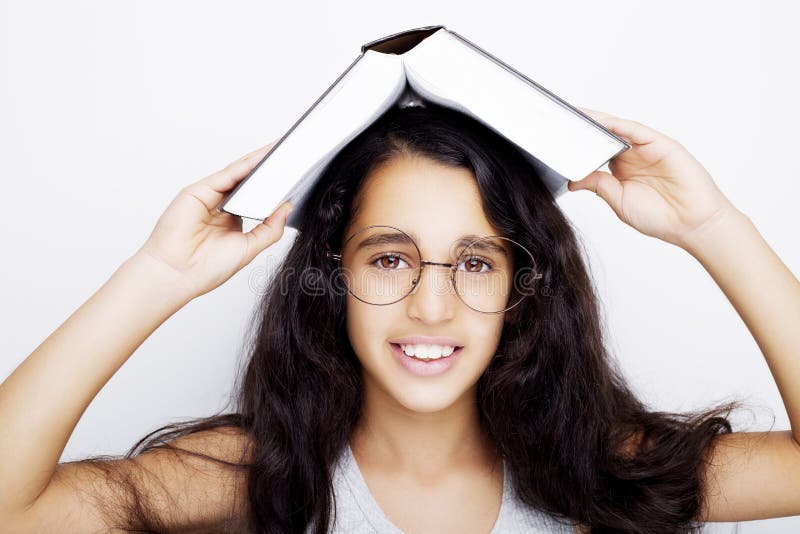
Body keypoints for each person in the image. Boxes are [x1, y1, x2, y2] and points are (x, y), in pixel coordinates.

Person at [1, 102, 798, 534]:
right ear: (333, 275)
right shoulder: (255, 475)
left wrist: (712, 227)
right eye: (389, 258)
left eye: (476, 262)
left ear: (523, 288)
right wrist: (158, 275)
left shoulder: (596, 466)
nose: (431, 304)